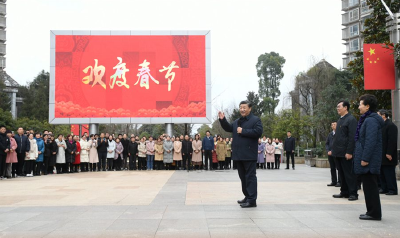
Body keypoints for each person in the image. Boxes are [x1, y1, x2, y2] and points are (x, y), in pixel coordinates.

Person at [219, 100, 263, 208]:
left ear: (249, 108)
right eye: (241, 107)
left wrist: (243, 131)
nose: (242, 109)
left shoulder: (255, 120)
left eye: (244, 107)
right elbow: (229, 128)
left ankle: (252, 200)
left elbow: (258, 132)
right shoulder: (237, 121)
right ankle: (247, 196)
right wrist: (223, 120)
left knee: (250, 177)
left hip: (249, 155)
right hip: (238, 155)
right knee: (243, 177)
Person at [353, 94, 384, 220]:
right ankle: (371, 211)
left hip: (369, 161)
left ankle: (374, 213)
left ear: (367, 106)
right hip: (369, 160)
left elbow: (370, 142)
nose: (359, 106)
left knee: (371, 187)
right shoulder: (368, 119)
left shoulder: (370, 120)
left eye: (360, 104)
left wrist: (365, 159)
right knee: (368, 187)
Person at [332, 100, 359, 201]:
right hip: (338, 153)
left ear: (345, 108)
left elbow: (352, 137)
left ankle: (353, 193)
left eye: (339, 106)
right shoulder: (340, 120)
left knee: (349, 174)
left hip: (346, 153)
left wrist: (349, 151)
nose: (337, 108)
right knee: (342, 174)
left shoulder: (351, 119)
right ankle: (344, 191)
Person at [377, 109, 398, 196]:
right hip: (381, 154)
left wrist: (389, 153)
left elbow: (392, 141)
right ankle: (384, 188)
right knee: (382, 172)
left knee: (389, 173)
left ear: (383, 115)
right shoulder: (381, 126)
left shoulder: (391, 125)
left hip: (388, 154)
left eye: (378, 115)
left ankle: (392, 189)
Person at [326, 122, 341, 187]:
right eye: (332, 125)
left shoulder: (339, 134)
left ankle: (340, 182)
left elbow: (339, 144)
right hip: (330, 154)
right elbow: (327, 143)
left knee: (339, 168)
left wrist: (333, 151)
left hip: (337, 154)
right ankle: (333, 181)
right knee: (332, 168)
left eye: (334, 124)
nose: (333, 126)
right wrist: (328, 150)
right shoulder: (330, 134)